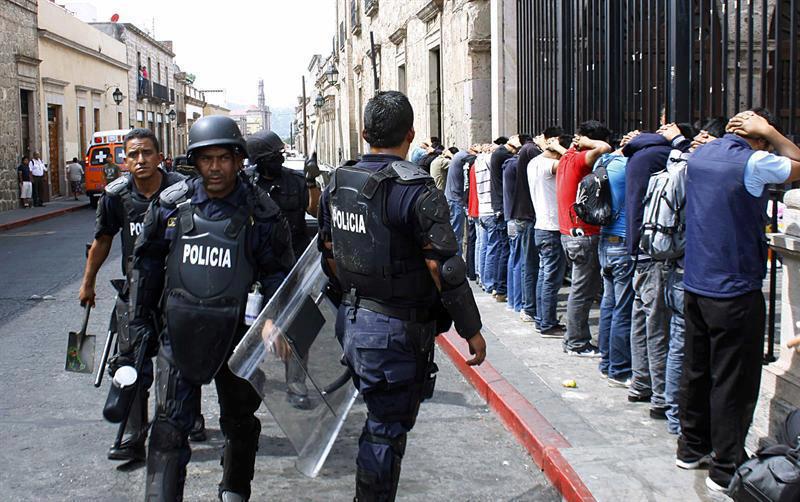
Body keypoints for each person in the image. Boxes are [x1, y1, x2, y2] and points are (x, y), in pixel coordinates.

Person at [317, 91, 486, 500]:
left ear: (364, 133)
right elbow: (444, 268)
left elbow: (329, 253)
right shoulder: (416, 189)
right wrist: (472, 330)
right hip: (393, 330)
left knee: (382, 423)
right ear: (411, 134)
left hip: (353, 321)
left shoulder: (337, 182)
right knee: (385, 432)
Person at [129, 115, 295, 500]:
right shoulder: (171, 207)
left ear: (239, 160)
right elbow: (146, 266)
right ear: (195, 162)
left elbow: (277, 273)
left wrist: (272, 318)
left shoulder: (261, 212)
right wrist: (138, 324)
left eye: (224, 158)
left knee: (239, 422)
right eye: (207, 159)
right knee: (169, 428)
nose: (215, 167)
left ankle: (234, 488)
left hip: (238, 335)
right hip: (179, 330)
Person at [677, 109, 800, 493]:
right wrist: (772, 132)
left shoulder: (701, 155)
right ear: (758, 136)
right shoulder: (755, 162)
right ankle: (725, 465)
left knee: (697, 369)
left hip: (697, 281)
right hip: (733, 285)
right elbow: (798, 163)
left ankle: (691, 446)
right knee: (734, 380)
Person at [78, 128, 191, 462]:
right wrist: (88, 283)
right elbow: (102, 240)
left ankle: (187, 420)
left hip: (179, 290)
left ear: (159, 157)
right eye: (133, 155)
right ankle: (132, 435)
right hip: (137, 291)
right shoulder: (116, 197)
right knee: (129, 363)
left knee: (181, 362)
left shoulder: (181, 191)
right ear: (125, 162)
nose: (140, 160)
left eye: (146, 153)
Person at [622, 124, 692, 417]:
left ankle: (641, 382)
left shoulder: (637, 154)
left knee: (641, 318)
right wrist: (681, 142)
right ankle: (661, 396)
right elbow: (690, 167)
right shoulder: (663, 155)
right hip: (656, 249)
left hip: (637, 245)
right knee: (657, 325)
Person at [555, 121, 612, 356]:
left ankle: (573, 339)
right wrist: (589, 142)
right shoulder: (580, 160)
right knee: (582, 292)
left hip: (569, 233)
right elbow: (605, 148)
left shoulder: (566, 158)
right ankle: (576, 342)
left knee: (580, 289)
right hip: (583, 235)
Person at [595, 132, 638, 386]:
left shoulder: (604, 162)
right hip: (621, 240)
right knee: (622, 308)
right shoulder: (627, 166)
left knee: (609, 303)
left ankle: (606, 360)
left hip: (605, 239)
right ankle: (619, 369)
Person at [247, 129, 321, 257]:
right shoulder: (247, 182)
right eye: (274, 156)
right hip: (260, 257)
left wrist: (311, 182)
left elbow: (316, 212)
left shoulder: (295, 180)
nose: (280, 159)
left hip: (295, 254)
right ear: (260, 160)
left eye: (280, 153)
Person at [529, 132, 570, 337]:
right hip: (551, 228)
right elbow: (570, 164)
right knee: (551, 279)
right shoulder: (551, 165)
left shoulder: (534, 162)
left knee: (544, 276)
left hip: (541, 225)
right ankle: (547, 322)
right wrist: (561, 149)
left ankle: (542, 319)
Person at [513, 134, 545, 323]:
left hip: (523, 215)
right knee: (530, 263)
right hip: (528, 216)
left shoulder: (524, 151)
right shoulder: (531, 150)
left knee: (526, 262)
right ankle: (529, 307)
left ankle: (526, 305)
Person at [484, 136, 520, 302]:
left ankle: (497, 287)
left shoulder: (499, 154)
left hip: (499, 206)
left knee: (500, 248)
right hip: (502, 208)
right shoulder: (501, 154)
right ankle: (500, 288)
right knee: (504, 249)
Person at [444, 146, 477, 257]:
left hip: (452, 198)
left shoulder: (458, 157)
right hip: (455, 200)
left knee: (454, 232)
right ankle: (455, 260)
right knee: (457, 234)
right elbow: (476, 159)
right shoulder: (463, 156)